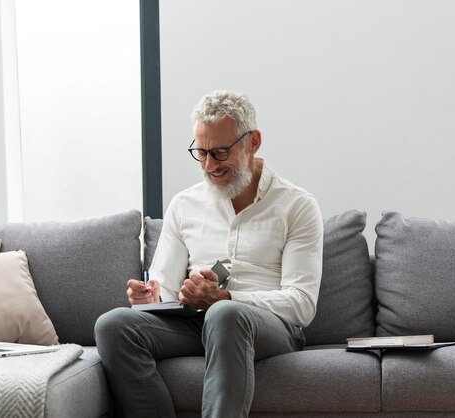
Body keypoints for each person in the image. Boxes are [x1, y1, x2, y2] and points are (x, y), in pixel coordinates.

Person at [95, 90, 323, 418]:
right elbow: (166, 290)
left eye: (219, 152)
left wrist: (226, 297)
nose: (208, 166)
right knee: (112, 325)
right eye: (200, 153)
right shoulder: (184, 205)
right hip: (194, 323)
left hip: (267, 327)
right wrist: (152, 297)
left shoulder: (297, 205)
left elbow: (301, 305)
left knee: (224, 315)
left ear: (253, 142)